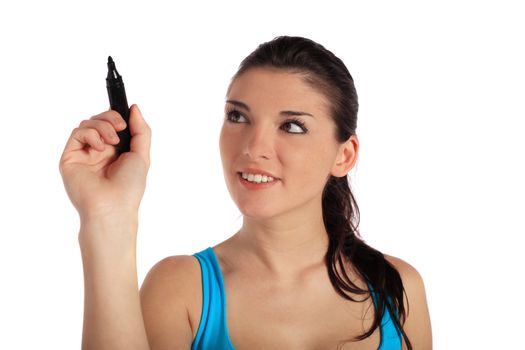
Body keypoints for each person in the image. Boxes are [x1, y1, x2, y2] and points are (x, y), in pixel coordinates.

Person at [59, 36, 432, 350]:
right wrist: (107, 219)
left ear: (344, 154)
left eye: (292, 126)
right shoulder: (182, 291)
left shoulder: (397, 290)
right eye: (237, 117)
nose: (254, 147)